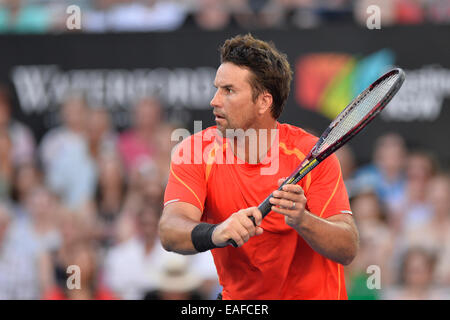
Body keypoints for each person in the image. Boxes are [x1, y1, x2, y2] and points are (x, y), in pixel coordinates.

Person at [160, 34, 359, 300]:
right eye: (217, 88)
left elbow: (347, 248)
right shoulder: (195, 151)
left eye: (228, 90)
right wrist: (216, 232)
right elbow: (170, 230)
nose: (214, 100)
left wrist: (303, 220)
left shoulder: (311, 155)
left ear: (264, 102)